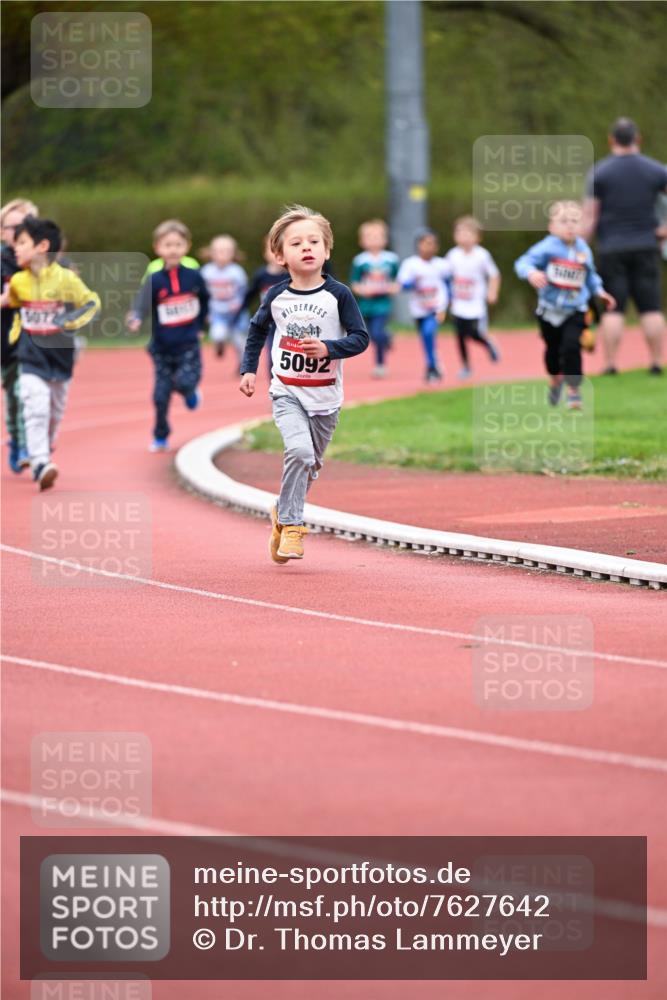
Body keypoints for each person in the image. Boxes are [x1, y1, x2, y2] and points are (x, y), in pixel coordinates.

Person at [239, 204, 368, 563]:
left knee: (310, 465)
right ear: (280, 255)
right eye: (296, 243)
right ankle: (293, 527)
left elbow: (360, 338)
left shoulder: (338, 295)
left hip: (326, 396)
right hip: (287, 391)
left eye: (314, 241)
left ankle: (281, 510)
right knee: (299, 453)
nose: (307, 247)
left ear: (327, 250)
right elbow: (256, 331)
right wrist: (249, 369)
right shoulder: (277, 297)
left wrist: (329, 348)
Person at [0, 217, 100, 489]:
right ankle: (41, 463)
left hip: (60, 357)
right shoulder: (18, 281)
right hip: (30, 356)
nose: (15, 248)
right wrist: (13, 336)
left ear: (42, 246)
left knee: (54, 412)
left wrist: (70, 322)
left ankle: (45, 444)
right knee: (35, 407)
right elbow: (17, 309)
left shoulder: (66, 279)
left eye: (21, 243)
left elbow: (92, 303)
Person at [581, 117, 667, 375]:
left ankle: (610, 364)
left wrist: (578, 248)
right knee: (650, 307)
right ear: (638, 139)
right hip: (646, 245)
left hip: (611, 247)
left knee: (613, 309)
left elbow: (590, 217)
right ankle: (655, 362)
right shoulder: (656, 170)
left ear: (611, 140)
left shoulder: (600, 172)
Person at [515, 201, 615, 410]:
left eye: (575, 221)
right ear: (551, 226)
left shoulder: (583, 249)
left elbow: (590, 275)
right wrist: (531, 273)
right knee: (552, 351)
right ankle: (555, 378)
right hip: (549, 310)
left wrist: (600, 292)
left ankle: (573, 389)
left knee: (571, 347)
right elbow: (523, 262)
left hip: (575, 309)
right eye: (563, 221)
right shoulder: (547, 247)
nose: (570, 226)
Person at [127, 220, 209, 452]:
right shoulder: (155, 279)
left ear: (186, 247)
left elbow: (204, 300)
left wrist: (202, 322)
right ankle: (160, 435)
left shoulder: (194, 276)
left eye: (178, 244)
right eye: (167, 245)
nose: (173, 249)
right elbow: (142, 303)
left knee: (184, 381)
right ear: (158, 248)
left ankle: (190, 392)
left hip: (188, 343)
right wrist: (136, 317)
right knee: (160, 396)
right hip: (162, 346)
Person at [1, 198, 37, 473]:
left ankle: (31, 446)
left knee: (27, 392)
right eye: (9, 227)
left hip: (37, 337)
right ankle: (17, 440)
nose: (15, 232)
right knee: (13, 397)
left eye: (21, 226)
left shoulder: (42, 260)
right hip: (6, 338)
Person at [442, 216, 501, 379]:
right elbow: (446, 275)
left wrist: (492, 292)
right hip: (458, 303)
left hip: (476, 303)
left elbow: (494, 275)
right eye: (460, 232)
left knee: (474, 333)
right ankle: (466, 366)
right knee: (460, 335)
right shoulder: (452, 255)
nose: (464, 236)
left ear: (478, 237)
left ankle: (488, 343)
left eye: (468, 233)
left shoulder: (482, 255)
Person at [349, 219, 400, 378]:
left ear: (385, 239)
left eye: (377, 236)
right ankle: (387, 338)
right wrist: (363, 291)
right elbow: (355, 283)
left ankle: (380, 365)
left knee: (377, 333)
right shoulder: (360, 261)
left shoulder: (391, 259)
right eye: (369, 237)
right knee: (370, 335)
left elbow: (398, 280)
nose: (374, 240)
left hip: (382, 304)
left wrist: (393, 288)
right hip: (366, 304)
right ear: (362, 241)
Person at [397, 228, 448, 383]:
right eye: (425, 243)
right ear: (418, 245)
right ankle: (434, 363)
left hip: (435, 308)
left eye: (431, 244)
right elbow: (403, 285)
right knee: (426, 338)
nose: (428, 247)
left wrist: (443, 308)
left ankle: (431, 368)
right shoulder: (411, 264)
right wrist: (413, 281)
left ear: (437, 247)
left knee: (428, 332)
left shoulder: (442, 265)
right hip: (418, 309)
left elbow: (447, 287)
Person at [239, 234, 287, 375]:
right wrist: (240, 310)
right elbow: (251, 294)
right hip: (271, 323)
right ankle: (275, 388)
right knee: (272, 354)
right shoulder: (261, 275)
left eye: (280, 249)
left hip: (289, 322)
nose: (275, 254)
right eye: (271, 250)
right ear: (265, 253)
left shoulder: (292, 274)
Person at [200, 235, 248, 362]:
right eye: (219, 251)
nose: (223, 255)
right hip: (217, 310)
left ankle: (242, 364)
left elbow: (243, 291)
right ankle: (219, 345)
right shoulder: (206, 271)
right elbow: (203, 294)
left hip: (235, 312)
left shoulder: (237, 272)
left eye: (227, 251)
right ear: (212, 253)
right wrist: (206, 312)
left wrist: (239, 304)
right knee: (217, 334)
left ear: (233, 254)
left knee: (240, 341)